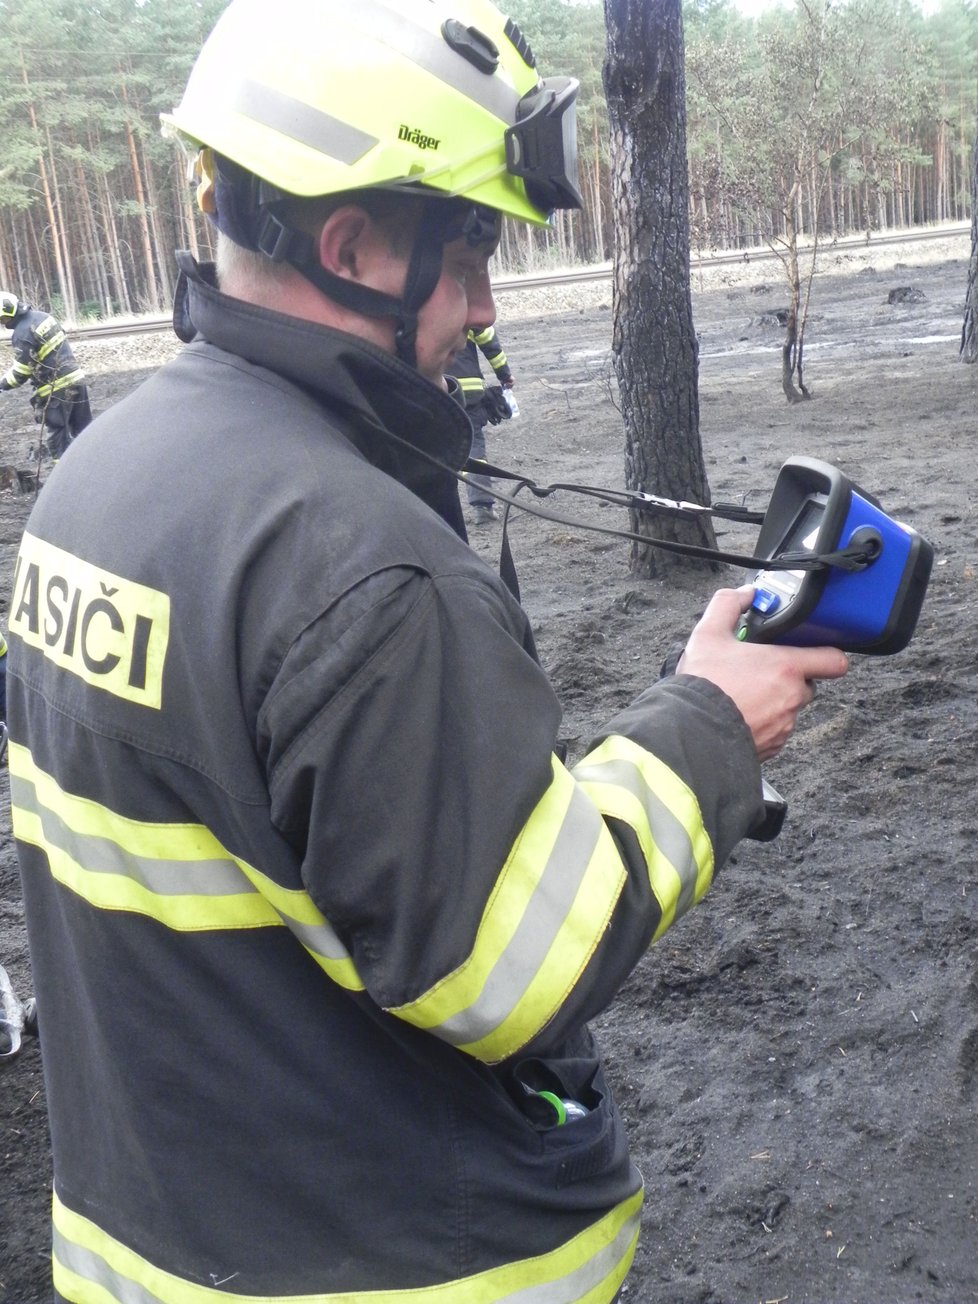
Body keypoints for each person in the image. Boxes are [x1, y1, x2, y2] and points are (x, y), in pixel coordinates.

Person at [7, 1, 849, 1300]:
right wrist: (710, 726)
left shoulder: (100, 481)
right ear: (350, 247)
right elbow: (517, 970)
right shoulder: (361, 563)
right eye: (467, 256)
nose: (483, 303)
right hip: (391, 1260)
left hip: (149, 1246)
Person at [0, 293, 92, 461]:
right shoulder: (43, 317)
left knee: (58, 438)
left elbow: (21, 372)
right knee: (85, 430)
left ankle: (64, 481)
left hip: (55, 389)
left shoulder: (22, 333)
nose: (2, 323)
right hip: (76, 379)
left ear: (7, 314)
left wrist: (2, 385)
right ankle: (93, 464)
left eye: (1, 319)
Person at [447, 322, 515, 524]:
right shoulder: (466, 305)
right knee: (473, 446)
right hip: (469, 391)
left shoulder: (414, 303)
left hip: (432, 387)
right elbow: (488, 340)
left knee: (433, 446)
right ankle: (482, 506)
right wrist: (504, 374)